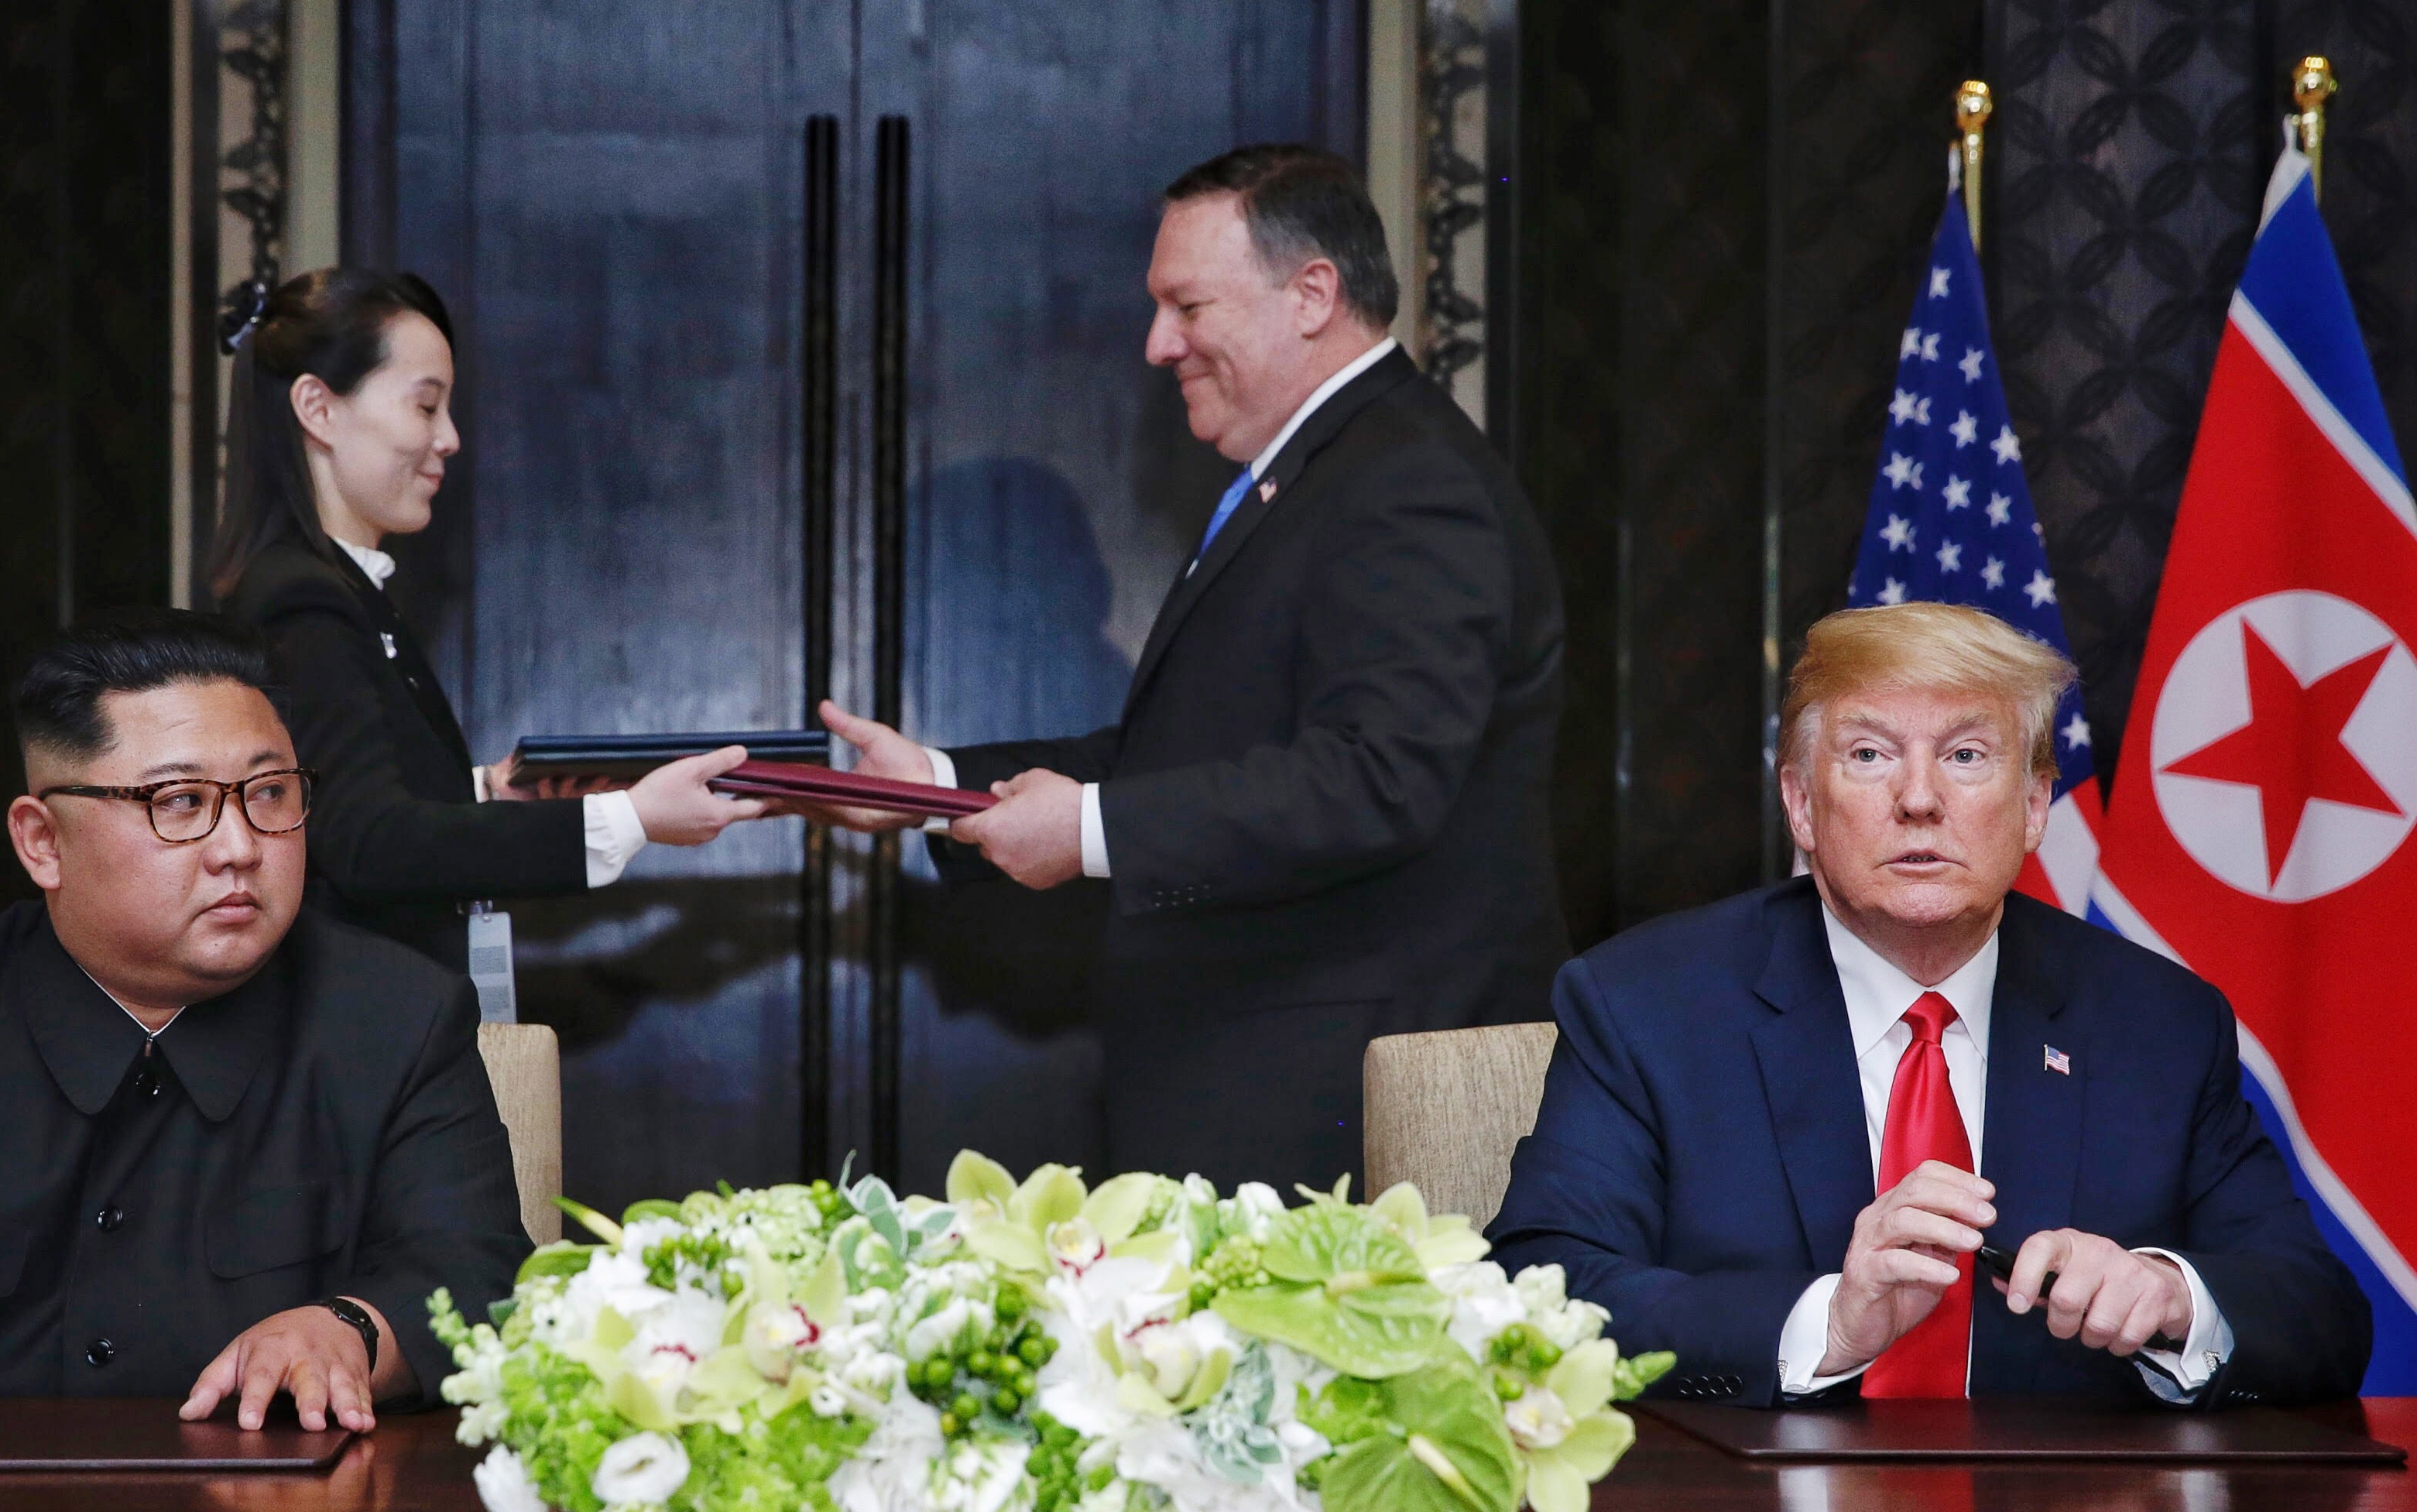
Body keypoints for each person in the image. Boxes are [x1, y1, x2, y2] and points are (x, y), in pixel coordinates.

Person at [808, 146, 1568, 1186]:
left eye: (1188, 306)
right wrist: (938, 788)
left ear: (1312, 295)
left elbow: (1375, 779)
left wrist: (1087, 830)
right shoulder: (1324, 471)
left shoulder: (1405, 485)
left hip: (1349, 1102)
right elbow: (1192, 750)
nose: (1158, 343)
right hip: (1272, 1077)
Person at [0, 613, 528, 1436]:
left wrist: (351, 1330)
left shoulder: (399, 1017)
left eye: (268, 793)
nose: (240, 846)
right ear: (42, 841)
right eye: (179, 801)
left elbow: (474, 1271)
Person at [1487, 602, 2371, 1407]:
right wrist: (1825, 1324)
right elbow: (1536, 1294)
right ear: (1801, 804)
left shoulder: (2158, 1026)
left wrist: (2172, 1297)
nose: (1918, 800)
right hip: (1750, 1511)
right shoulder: (1646, 1006)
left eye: (1965, 756)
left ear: (2034, 805)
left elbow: (2320, 1315)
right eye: (1869, 755)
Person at [212, 268, 767, 972]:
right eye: (426, 405)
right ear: (318, 409)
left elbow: (348, 798)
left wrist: (484, 795)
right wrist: (630, 819)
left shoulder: (344, 589)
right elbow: (369, 842)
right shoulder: (300, 597)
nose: (449, 438)